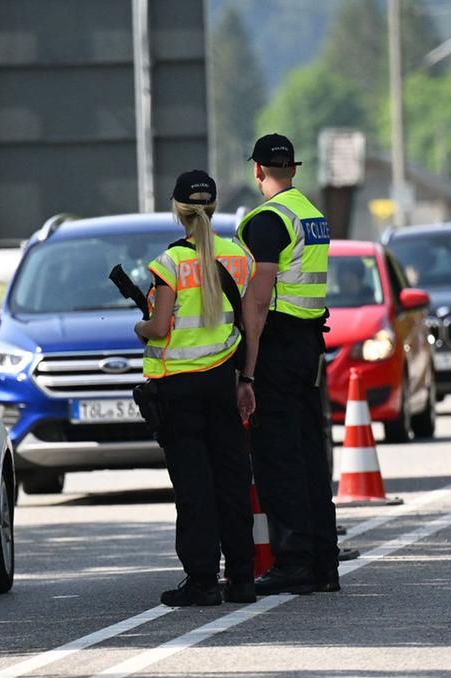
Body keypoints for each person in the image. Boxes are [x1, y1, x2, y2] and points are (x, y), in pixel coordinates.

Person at [135, 170, 257, 607]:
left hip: (179, 389)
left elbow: (160, 325)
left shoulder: (169, 263)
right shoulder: (239, 258)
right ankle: (242, 578)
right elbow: (253, 320)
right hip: (225, 381)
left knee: (194, 487)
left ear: (177, 210)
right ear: (215, 207)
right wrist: (247, 377)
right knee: (231, 480)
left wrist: (139, 325)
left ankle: (203, 580)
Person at [236, 133, 339, 596]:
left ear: (257, 170)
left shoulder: (267, 222)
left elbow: (256, 304)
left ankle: (293, 561)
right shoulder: (313, 215)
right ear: (292, 169)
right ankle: (323, 563)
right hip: (311, 343)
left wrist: (248, 372)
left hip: (277, 345)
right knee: (310, 454)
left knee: (278, 457)